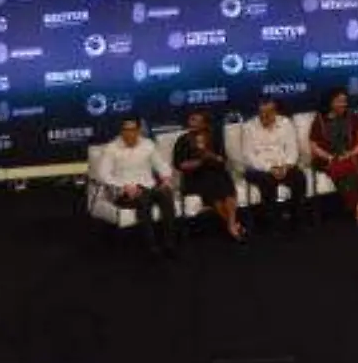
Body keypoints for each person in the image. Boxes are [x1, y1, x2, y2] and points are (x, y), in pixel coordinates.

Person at [91, 118, 177, 256]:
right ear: (121, 131)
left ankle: (169, 243)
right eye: (125, 130)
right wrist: (124, 186)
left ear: (138, 131)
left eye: (132, 130)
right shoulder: (111, 148)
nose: (129, 133)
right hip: (125, 192)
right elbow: (103, 174)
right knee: (143, 198)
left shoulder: (148, 144)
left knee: (166, 193)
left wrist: (166, 178)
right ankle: (151, 246)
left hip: (148, 186)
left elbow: (160, 164)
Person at [173, 110, 244, 240]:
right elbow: (180, 165)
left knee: (225, 186)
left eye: (197, 121)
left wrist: (209, 154)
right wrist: (199, 162)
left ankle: (231, 224)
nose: (193, 123)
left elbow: (222, 160)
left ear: (205, 124)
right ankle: (233, 225)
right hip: (194, 177)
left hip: (216, 172)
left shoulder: (214, 138)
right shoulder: (182, 140)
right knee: (214, 190)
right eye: (192, 120)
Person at [310, 88, 358, 227]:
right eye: (339, 101)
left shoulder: (352, 116)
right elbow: (313, 145)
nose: (343, 104)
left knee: (351, 165)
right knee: (342, 167)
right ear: (330, 102)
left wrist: (351, 153)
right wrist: (330, 157)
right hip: (329, 157)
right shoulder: (320, 119)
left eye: (344, 101)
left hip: (351, 154)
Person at [241, 96, 308, 231]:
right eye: (262, 112)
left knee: (299, 177)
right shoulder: (249, 127)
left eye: (269, 112)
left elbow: (292, 149)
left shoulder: (285, 123)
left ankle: (296, 218)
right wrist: (270, 169)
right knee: (267, 182)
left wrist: (287, 166)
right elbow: (248, 156)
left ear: (275, 111)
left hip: (283, 165)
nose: (265, 115)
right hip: (259, 169)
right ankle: (273, 221)